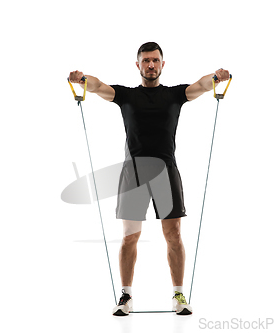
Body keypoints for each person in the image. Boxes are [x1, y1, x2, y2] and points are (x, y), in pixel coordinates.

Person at [68, 42, 230, 316]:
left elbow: (201, 86)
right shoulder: (127, 96)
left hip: (166, 172)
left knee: (174, 236)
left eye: (155, 60)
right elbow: (97, 86)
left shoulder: (175, 95)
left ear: (162, 64)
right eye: (146, 60)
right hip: (133, 173)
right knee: (130, 237)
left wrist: (215, 78)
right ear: (138, 65)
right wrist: (82, 80)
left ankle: (178, 294)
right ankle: (126, 296)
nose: (151, 65)